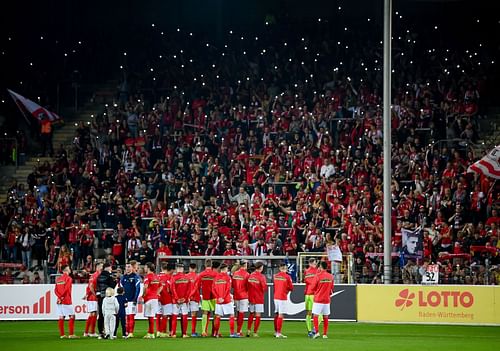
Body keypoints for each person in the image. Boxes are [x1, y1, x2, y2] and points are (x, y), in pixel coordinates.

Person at [212, 263, 237, 337]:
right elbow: (228, 289)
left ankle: (216, 333)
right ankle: (232, 333)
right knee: (232, 315)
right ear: (225, 269)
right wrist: (223, 297)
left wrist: (218, 297)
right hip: (226, 300)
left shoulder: (216, 277)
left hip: (218, 301)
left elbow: (213, 289)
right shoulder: (228, 277)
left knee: (218, 316)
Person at [311, 261, 334, 339]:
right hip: (326, 299)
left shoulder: (317, 276)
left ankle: (317, 332)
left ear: (320, 267)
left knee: (315, 316)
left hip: (318, 299)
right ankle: (325, 334)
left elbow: (312, 287)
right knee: (326, 316)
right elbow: (331, 288)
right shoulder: (331, 276)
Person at [54, 265, 78, 339]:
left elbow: (55, 290)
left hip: (59, 300)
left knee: (61, 317)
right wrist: (62, 297)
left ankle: (62, 334)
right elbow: (67, 289)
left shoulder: (58, 279)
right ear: (66, 270)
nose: (70, 269)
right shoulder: (68, 278)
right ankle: (71, 334)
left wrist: (59, 297)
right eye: (69, 268)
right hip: (66, 300)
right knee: (72, 316)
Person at [196, 258, 218, 337]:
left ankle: (203, 331)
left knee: (205, 313)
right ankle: (214, 332)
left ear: (205, 265)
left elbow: (197, 286)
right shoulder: (215, 274)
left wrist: (197, 296)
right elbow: (217, 285)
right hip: (214, 296)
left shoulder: (201, 274)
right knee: (216, 314)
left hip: (205, 296)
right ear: (211, 265)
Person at [120, 260, 141, 338]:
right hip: (124, 300)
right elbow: (120, 289)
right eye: (126, 267)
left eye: (129, 267)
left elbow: (138, 288)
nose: (127, 268)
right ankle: (126, 331)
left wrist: (135, 298)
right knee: (126, 317)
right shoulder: (123, 277)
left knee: (131, 316)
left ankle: (131, 332)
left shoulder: (135, 276)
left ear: (132, 268)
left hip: (132, 300)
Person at [170, 263, 191, 338]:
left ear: (176, 268)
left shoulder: (174, 277)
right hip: (184, 301)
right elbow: (189, 289)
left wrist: (177, 299)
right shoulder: (187, 277)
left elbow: (172, 289)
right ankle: (184, 334)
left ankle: (173, 333)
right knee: (184, 316)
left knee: (175, 316)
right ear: (182, 269)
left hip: (176, 301)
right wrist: (185, 298)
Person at [273, 261, 293, 338]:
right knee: (281, 315)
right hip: (282, 297)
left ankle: (275, 332)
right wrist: (286, 289)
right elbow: (291, 288)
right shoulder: (288, 277)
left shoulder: (275, 276)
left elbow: (274, 286)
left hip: (276, 297)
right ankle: (278, 332)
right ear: (286, 268)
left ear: (279, 268)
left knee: (277, 314)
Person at [246, 262, 267, 337]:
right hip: (259, 298)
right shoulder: (262, 277)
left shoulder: (250, 276)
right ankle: (255, 332)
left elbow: (247, 286)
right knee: (258, 315)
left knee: (251, 313)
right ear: (261, 268)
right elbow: (264, 288)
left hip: (251, 297)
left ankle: (248, 331)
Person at [97, 262, 116, 339]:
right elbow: (112, 286)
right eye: (110, 267)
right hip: (108, 297)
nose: (111, 269)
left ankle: (101, 332)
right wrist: (115, 281)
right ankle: (108, 332)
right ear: (107, 267)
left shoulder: (99, 276)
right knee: (109, 315)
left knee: (101, 315)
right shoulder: (109, 276)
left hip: (100, 297)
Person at [83, 262, 102, 337]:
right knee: (93, 314)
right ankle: (91, 332)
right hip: (93, 297)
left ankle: (87, 332)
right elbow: (91, 286)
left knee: (93, 314)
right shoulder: (96, 275)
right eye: (100, 266)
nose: (101, 267)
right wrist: (95, 295)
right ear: (97, 267)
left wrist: (87, 294)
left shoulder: (94, 275)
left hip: (91, 297)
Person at [142, 262, 160, 339]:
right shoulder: (156, 276)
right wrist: (157, 293)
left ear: (148, 268)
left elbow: (145, 287)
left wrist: (143, 295)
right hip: (155, 298)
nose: (144, 268)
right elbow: (161, 286)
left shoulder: (147, 276)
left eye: (145, 267)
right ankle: (150, 332)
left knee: (150, 316)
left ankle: (151, 333)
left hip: (149, 298)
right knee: (152, 315)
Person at [232, 260, 249, 336]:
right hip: (243, 296)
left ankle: (238, 330)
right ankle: (239, 331)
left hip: (236, 295)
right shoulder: (247, 274)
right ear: (245, 266)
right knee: (241, 313)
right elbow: (248, 286)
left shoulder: (235, 273)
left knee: (238, 313)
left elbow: (232, 285)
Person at [157, 262, 174, 337]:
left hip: (158, 298)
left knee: (158, 315)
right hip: (167, 298)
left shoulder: (157, 276)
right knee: (166, 315)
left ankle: (158, 331)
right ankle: (164, 331)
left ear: (161, 268)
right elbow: (171, 289)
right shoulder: (169, 277)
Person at [304, 258, 318, 337]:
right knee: (317, 313)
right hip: (313, 294)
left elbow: (307, 281)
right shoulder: (317, 271)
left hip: (307, 295)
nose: (314, 265)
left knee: (309, 313)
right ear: (310, 263)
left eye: (315, 264)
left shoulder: (306, 271)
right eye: (313, 263)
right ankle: (313, 329)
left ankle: (310, 330)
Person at [186, 262, 200, 337]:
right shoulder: (198, 276)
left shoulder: (186, 276)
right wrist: (191, 296)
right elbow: (196, 288)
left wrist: (187, 296)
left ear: (189, 268)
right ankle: (193, 332)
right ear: (196, 269)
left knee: (184, 314)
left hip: (186, 298)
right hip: (194, 298)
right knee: (193, 314)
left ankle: (184, 332)